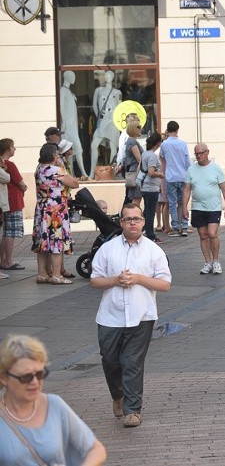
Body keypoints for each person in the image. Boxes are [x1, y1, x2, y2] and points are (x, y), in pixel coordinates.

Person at [90, 202, 172, 427]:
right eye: (128, 219)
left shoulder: (154, 250)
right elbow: (95, 280)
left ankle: (133, 410)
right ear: (121, 222)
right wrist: (116, 280)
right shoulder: (108, 248)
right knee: (110, 360)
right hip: (110, 315)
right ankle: (118, 396)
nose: (133, 223)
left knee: (132, 361)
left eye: (137, 219)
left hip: (142, 314)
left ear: (144, 221)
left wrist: (137, 279)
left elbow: (165, 284)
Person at [0, 334, 107, 465]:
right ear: (3, 378)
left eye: (40, 374)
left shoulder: (54, 405)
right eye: (26, 377)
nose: (35, 382)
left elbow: (96, 449)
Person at [32, 143, 79, 285]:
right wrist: (62, 167)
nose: (59, 156)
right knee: (56, 242)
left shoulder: (39, 169)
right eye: (57, 154)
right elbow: (74, 183)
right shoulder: (56, 170)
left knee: (43, 241)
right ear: (53, 155)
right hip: (55, 210)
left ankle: (42, 274)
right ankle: (57, 275)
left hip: (41, 208)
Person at [182, 144, 225, 275]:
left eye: (201, 153)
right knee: (203, 235)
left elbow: (224, 189)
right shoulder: (191, 169)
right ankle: (208, 262)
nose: (199, 156)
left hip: (213, 207)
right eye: (196, 154)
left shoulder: (216, 169)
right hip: (198, 207)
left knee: (212, 233)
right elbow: (187, 189)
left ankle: (216, 261)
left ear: (207, 152)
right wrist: (184, 207)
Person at [159, 121, 191, 237]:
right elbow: (187, 160)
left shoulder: (164, 144)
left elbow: (162, 157)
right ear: (177, 130)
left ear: (167, 130)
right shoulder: (183, 143)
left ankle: (176, 227)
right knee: (183, 202)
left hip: (170, 177)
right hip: (182, 176)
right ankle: (185, 226)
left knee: (172, 203)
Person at [0, 139, 27, 273]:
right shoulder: (9, 165)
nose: (14, 149)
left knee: (4, 233)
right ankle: (8, 261)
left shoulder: (2, 164)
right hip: (14, 201)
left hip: (4, 202)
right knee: (11, 233)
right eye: (13, 147)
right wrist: (25, 188)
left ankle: (2, 260)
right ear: (7, 149)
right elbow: (20, 182)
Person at [139, 132, 165, 243]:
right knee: (150, 212)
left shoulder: (145, 153)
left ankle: (142, 231)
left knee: (147, 211)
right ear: (158, 143)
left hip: (145, 186)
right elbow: (151, 172)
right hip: (151, 187)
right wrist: (160, 174)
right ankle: (150, 235)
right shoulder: (152, 156)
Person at [122, 120, 144, 207]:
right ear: (133, 129)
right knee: (136, 198)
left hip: (135, 171)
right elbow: (139, 159)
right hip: (136, 171)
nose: (141, 129)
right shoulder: (132, 142)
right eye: (138, 127)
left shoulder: (131, 141)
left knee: (135, 197)